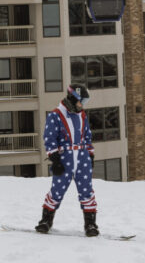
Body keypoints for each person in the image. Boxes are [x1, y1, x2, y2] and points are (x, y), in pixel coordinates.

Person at [35, 83, 99, 237]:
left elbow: (87, 136)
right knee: (57, 189)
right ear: (72, 99)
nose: (82, 106)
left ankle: (90, 224)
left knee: (86, 190)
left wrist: (90, 154)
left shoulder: (82, 115)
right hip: (64, 159)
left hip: (82, 157)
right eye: (81, 102)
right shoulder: (56, 115)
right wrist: (55, 159)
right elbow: (49, 138)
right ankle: (46, 221)